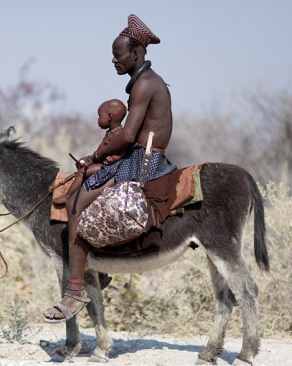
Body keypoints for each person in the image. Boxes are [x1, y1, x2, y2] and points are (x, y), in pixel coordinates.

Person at [44, 14, 176, 323]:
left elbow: (128, 136)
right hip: (142, 156)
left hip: (144, 162)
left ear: (136, 54)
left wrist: (94, 157)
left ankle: (75, 293)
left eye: (118, 55)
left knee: (76, 206)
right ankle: (98, 272)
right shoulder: (145, 82)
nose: (113, 60)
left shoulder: (144, 84)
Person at [53, 99, 127, 206]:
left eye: (100, 116)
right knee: (82, 167)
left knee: (83, 172)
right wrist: (89, 160)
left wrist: (113, 158)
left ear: (110, 116)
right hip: (102, 164)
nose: (97, 119)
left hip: (109, 168)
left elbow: (123, 152)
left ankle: (68, 196)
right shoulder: (110, 132)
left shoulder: (119, 133)